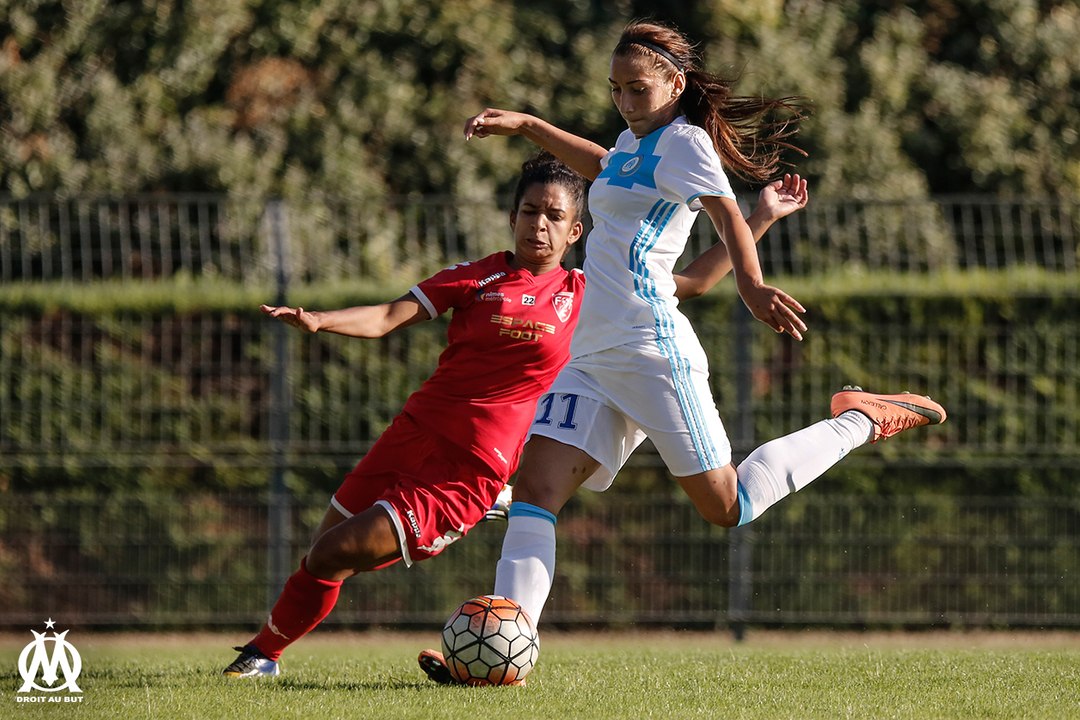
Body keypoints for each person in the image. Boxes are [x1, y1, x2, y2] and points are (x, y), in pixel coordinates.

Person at [418, 20, 946, 684]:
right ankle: (501, 653)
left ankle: (861, 418)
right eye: (615, 90)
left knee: (727, 506)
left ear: (676, 82)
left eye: (637, 89)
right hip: (589, 356)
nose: (624, 102)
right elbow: (643, 218)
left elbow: (720, 215)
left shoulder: (687, 142)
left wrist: (753, 280)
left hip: (651, 351)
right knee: (536, 492)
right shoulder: (631, 148)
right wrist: (529, 125)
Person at [222, 150, 806, 678]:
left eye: (554, 216)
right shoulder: (478, 275)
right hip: (411, 436)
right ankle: (264, 654)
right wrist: (321, 320)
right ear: (513, 217)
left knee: (334, 552)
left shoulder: (588, 294)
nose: (539, 224)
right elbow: (386, 317)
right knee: (322, 552)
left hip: (469, 465)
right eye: (530, 211)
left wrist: (760, 218)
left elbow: (697, 282)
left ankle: (264, 652)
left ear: (577, 230)